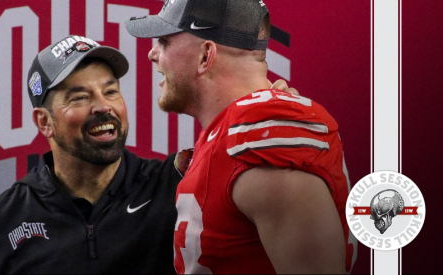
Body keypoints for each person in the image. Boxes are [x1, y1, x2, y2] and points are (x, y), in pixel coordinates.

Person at [125, 0, 355, 274]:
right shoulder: (234, 129)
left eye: (164, 41)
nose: (152, 54)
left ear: (205, 56)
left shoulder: (264, 134)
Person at [0, 35, 182, 274]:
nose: (104, 106)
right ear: (44, 122)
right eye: (80, 97)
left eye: (111, 91)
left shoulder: (174, 189)